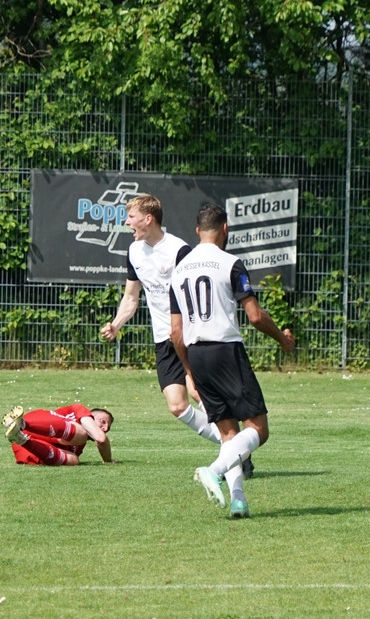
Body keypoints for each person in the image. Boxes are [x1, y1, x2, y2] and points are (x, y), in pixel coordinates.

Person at [169, 203, 295, 519]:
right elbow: (255, 316)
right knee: (259, 429)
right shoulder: (231, 263)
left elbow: (176, 332)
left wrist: (189, 371)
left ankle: (239, 500)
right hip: (225, 351)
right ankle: (213, 471)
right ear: (225, 229)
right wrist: (282, 340)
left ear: (197, 231)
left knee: (229, 434)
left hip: (196, 355)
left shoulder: (179, 271)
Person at [100, 194, 227, 456]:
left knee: (197, 392)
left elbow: (194, 297)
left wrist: (185, 328)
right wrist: (116, 324)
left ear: (148, 219)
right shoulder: (134, 251)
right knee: (177, 405)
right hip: (163, 339)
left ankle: (233, 450)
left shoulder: (179, 250)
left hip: (188, 336)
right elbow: (131, 297)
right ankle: (233, 445)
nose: (127, 222)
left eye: (131, 217)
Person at [2, 404, 114, 465]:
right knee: (81, 434)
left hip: (27, 448)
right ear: (91, 414)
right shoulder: (79, 410)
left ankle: (19, 437)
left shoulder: (80, 446)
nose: (105, 428)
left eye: (107, 428)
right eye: (103, 421)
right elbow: (101, 439)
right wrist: (108, 460)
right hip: (35, 421)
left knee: (74, 460)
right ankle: (22, 423)